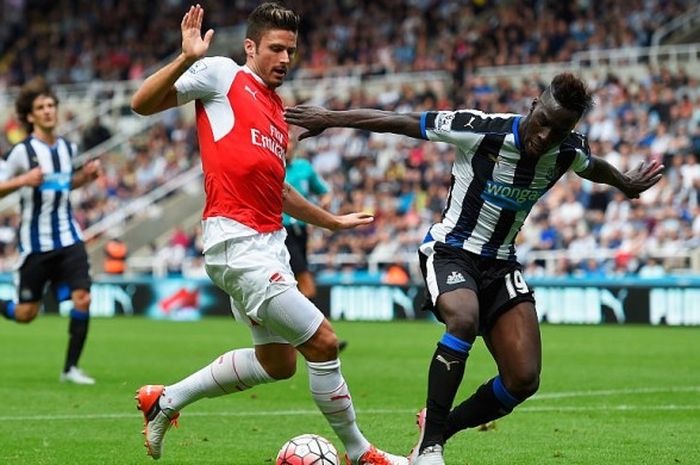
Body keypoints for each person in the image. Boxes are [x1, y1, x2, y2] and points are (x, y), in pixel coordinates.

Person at [284, 72, 664, 465]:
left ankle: (440, 425)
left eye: (560, 130)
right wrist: (330, 117)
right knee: (463, 320)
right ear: (534, 106)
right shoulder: (480, 129)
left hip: (501, 264)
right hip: (451, 251)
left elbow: (592, 165)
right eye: (544, 121)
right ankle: (431, 447)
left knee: (523, 380)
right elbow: (400, 121)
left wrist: (624, 184)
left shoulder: (568, 149)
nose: (546, 135)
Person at [130, 4, 407, 464]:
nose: (284, 58)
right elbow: (141, 104)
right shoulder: (221, 75)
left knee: (280, 364)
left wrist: (332, 221)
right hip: (236, 242)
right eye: (276, 48)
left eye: (291, 51)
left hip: (270, 245)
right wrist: (185, 58)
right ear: (250, 46)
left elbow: (278, 190)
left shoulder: (278, 113)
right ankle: (362, 452)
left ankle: (165, 400)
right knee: (322, 341)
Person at [0, 77, 102, 385]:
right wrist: (22, 181)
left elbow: (63, 185)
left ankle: (70, 368)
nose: (48, 111)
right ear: (30, 116)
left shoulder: (67, 149)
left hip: (69, 238)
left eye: (51, 105)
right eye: (40, 107)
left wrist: (84, 178)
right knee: (26, 314)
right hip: (35, 244)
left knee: (82, 298)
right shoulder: (21, 152)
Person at [283, 144, 349, 351]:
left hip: (301, 232)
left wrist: (326, 202)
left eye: (290, 143)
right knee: (305, 281)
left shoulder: (304, 168)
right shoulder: (269, 165)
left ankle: (297, 334)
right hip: (279, 231)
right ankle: (323, 336)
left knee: (295, 285)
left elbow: (324, 191)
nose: (287, 148)